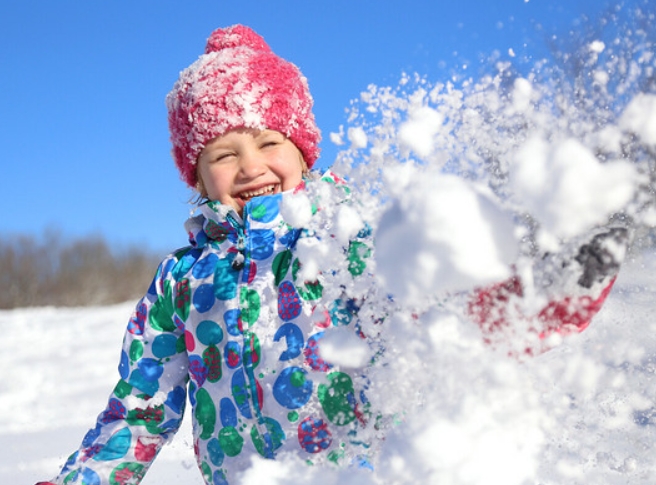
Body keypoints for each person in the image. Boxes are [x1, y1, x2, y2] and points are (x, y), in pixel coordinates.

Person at [37, 24, 628, 485]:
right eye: (223, 153)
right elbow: (140, 409)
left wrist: (537, 301)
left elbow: (448, 318)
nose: (250, 166)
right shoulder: (182, 281)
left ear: (302, 152)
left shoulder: (353, 237)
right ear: (196, 173)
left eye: (269, 142)